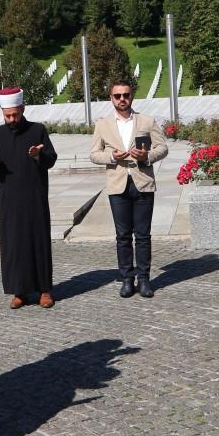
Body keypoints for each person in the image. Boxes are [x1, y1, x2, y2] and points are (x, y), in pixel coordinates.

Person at [88, 81, 168, 298]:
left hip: (143, 183)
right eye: (117, 96)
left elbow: (163, 148)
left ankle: (144, 280)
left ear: (132, 96)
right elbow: (94, 154)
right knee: (122, 236)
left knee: (143, 236)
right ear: (111, 98)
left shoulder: (147, 121)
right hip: (117, 185)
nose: (122, 99)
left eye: (125, 95)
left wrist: (148, 156)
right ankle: (127, 279)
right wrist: (112, 156)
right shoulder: (103, 124)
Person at [0, 87, 58, 309]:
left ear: (23, 109)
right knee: (14, 245)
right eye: (7, 116)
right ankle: (19, 292)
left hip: (34, 197)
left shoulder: (38, 130)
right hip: (9, 200)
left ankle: (44, 290)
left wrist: (38, 155)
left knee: (39, 241)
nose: (12, 119)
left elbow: (51, 158)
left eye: (15, 114)